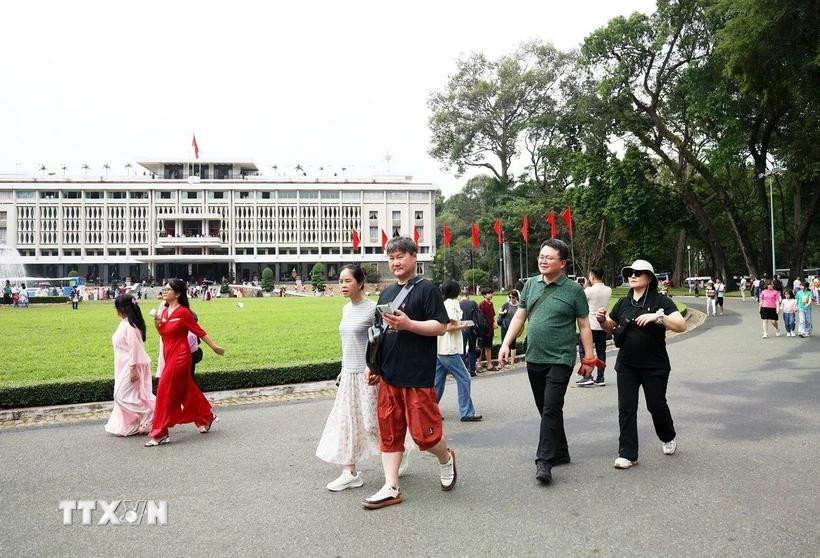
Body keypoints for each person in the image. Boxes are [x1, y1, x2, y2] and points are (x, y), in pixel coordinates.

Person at [361, 237, 456, 509]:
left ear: (415, 257)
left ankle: (445, 458)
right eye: (391, 258)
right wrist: (375, 367)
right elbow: (379, 334)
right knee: (389, 433)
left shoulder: (427, 290)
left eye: (401, 256)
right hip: (389, 374)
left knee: (424, 436)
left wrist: (409, 324)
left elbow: (440, 327)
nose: (395, 262)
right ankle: (391, 486)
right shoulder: (387, 294)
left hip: (416, 375)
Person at [498, 239, 595, 485]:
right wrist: (506, 343)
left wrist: (589, 357)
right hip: (535, 356)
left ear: (562, 263)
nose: (543, 260)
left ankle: (544, 460)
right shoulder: (530, 285)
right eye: (541, 256)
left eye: (549, 257)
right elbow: (520, 316)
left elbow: (584, 325)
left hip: (561, 358)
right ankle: (561, 450)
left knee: (551, 407)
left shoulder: (573, 290)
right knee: (545, 408)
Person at [595, 259, 687, 469]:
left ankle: (668, 435)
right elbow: (612, 326)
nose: (633, 276)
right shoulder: (623, 303)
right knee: (626, 408)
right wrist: (602, 320)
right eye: (630, 273)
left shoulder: (660, 301)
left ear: (649, 278)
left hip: (655, 365)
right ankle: (628, 453)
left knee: (656, 405)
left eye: (638, 272)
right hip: (627, 365)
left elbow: (681, 325)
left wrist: (658, 317)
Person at [316, 265, 380, 492]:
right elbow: (347, 345)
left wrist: (372, 368)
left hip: (368, 375)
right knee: (346, 423)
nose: (342, 285)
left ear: (361, 283)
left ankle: (397, 452)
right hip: (350, 376)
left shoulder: (373, 309)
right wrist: (343, 369)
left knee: (374, 423)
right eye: (340, 281)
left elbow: (379, 343)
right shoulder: (345, 310)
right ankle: (349, 472)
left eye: (347, 281)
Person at [146, 278, 226, 447]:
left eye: (168, 289)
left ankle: (159, 432)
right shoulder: (165, 311)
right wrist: (156, 322)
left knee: (163, 391)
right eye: (164, 288)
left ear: (178, 293)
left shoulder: (183, 313)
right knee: (186, 390)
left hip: (181, 356)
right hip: (169, 355)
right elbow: (163, 333)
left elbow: (200, 332)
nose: (165, 291)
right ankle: (207, 417)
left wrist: (215, 347)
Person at [105, 294, 156, 436]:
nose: (116, 312)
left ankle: (151, 413)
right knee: (130, 395)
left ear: (123, 309)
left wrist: (133, 368)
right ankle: (135, 421)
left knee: (120, 395)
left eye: (117, 308)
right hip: (123, 366)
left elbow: (134, 348)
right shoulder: (126, 323)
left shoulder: (130, 326)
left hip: (131, 366)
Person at [435, 278, 482, 422]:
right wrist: (463, 326)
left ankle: (429, 411)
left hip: (440, 347)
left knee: (437, 382)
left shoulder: (441, 304)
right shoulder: (453, 304)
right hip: (450, 349)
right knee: (464, 378)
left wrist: (460, 324)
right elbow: (448, 327)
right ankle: (466, 412)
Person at [577, 267, 612, 387]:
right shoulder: (608, 290)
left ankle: (587, 376)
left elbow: (581, 301)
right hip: (602, 324)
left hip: (590, 325)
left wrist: (586, 285)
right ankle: (600, 377)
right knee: (601, 351)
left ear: (591, 277)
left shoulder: (589, 291)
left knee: (584, 350)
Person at [497, 289, 520, 368]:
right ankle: (501, 362)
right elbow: (499, 311)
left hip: (514, 328)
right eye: (509, 297)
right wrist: (503, 312)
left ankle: (512, 362)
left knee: (513, 344)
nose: (511, 298)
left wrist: (520, 329)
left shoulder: (519, 306)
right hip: (505, 326)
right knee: (504, 343)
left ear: (516, 297)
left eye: (513, 297)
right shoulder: (506, 304)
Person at [459, 290, 479, 377]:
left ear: (461, 296)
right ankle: (472, 370)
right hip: (472, 328)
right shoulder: (473, 303)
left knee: (462, 350)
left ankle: (463, 370)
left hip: (461, 328)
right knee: (472, 349)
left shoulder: (458, 304)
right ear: (468, 295)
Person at [478, 287, 497, 371]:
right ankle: (478, 364)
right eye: (489, 293)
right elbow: (479, 317)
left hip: (490, 329)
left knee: (489, 347)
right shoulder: (482, 304)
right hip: (483, 330)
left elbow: (493, 315)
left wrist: (494, 322)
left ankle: (489, 364)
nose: (491, 294)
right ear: (484, 295)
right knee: (481, 347)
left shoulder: (491, 304)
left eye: (491, 293)